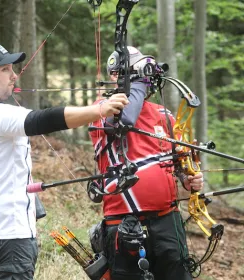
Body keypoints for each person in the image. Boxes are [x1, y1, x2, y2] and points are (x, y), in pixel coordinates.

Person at [0, 43, 129, 280]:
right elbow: (44, 119)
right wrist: (100, 110)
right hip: (12, 239)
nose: (14, 76)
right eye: (5, 70)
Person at [88, 46, 204, 280]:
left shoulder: (164, 114)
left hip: (167, 221)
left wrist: (189, 178)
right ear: (115, 76)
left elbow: (180, 162)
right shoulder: (101, 109)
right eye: (137, 70)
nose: (145, 76)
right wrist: (136, 83)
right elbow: (121, 122)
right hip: (124, 224)